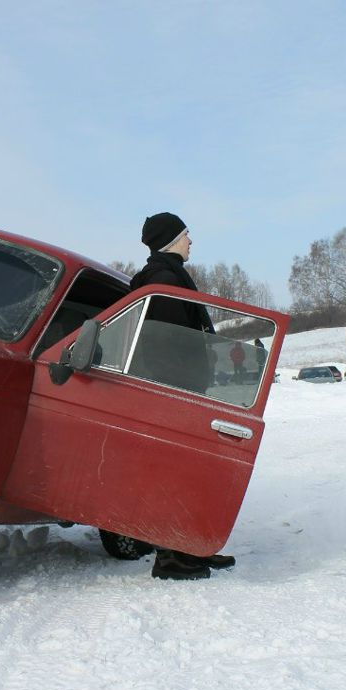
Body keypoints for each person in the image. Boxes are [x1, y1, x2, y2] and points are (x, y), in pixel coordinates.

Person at [130, 211, 236, 580]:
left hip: (182, 388)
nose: (191, 240)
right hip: (175, 390)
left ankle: (192, 548)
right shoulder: (163, 278)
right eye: (187, 234)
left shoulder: (168, 274)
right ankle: (173, 556)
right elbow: (169, 342)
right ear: (172, 238)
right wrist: (183, 390)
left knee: (190, 472)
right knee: (176, 472)